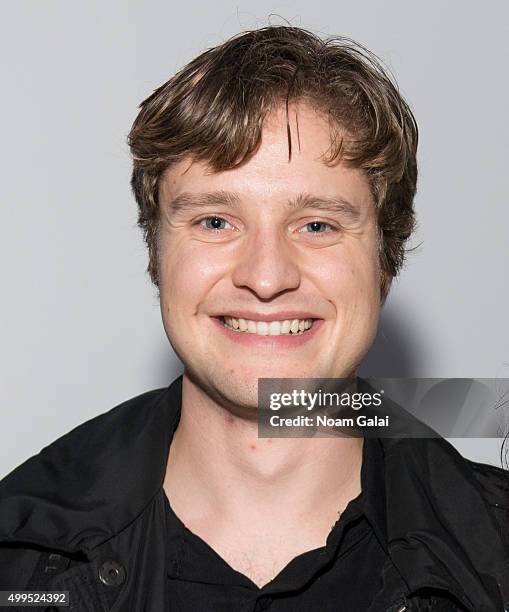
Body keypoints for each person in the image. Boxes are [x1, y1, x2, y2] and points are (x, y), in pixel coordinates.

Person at [1, 25, 508, 612]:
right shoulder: (19, 552)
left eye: (317, 225)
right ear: (157, 257)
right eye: (216, 221)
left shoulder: (491, 555)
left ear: (385, 260)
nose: (266, 278)